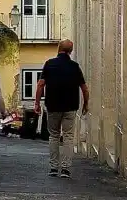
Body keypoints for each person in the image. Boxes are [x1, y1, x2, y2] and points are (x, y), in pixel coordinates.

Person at [34, 39, 90, 178]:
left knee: (53, 136)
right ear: (70, 51)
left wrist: (36, 103)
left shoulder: (49, 64)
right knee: (68, 136)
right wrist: (86, 104)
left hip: (53, 106)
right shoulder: (74, 66)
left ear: (58, 49)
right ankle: (65, 169)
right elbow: (84, 88)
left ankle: (53, 167)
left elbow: (40, 85)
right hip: (70, 106)